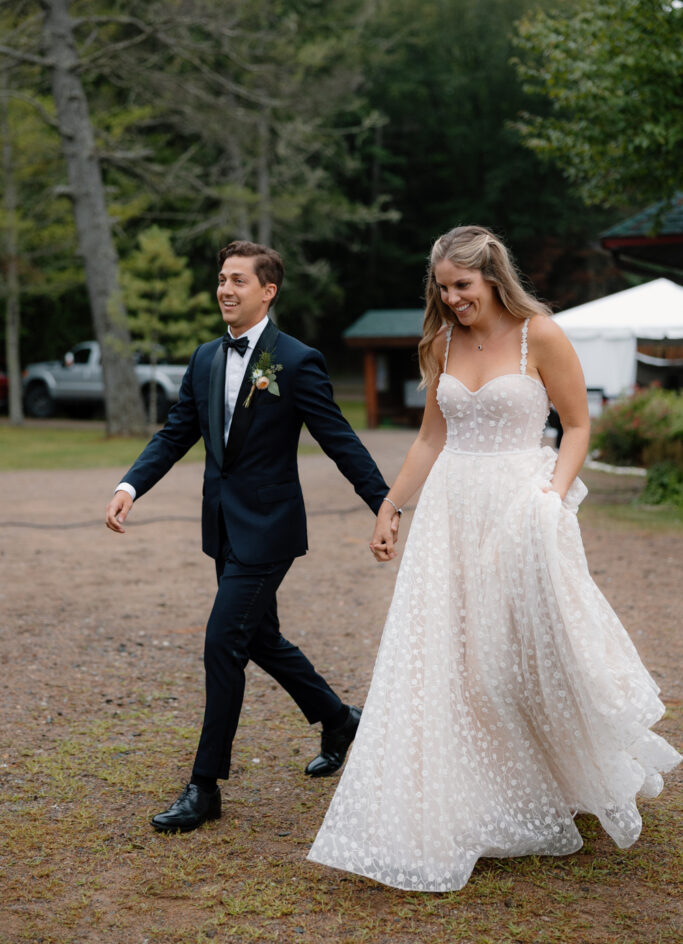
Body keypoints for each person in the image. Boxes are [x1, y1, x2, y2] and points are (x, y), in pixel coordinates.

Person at [308, 225, 680, 891]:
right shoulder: (440, 342)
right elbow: (429, 439)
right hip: (451, 511)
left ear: (491, 278)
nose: (451, 299)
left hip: (519, 507)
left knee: (521, 649)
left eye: (462, 286)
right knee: (453, 654)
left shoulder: (540, 333)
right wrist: (390, 505)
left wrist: (552, 495)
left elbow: (577, 424)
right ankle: (470, 795)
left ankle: (566, 773)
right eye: (441, 288)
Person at [105, 240, 390, 833]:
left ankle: (204, 787)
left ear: (268, 291)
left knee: (222, 641)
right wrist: (131, 486)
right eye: (221, 279)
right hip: (223, 527)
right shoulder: (207, 357)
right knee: (259, 639)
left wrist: (382, 504)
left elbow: (339, 438)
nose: (225, 290)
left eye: (238, 281)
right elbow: (177, 431)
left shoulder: (296, 360)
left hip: (270, 530)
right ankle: (339, 719)